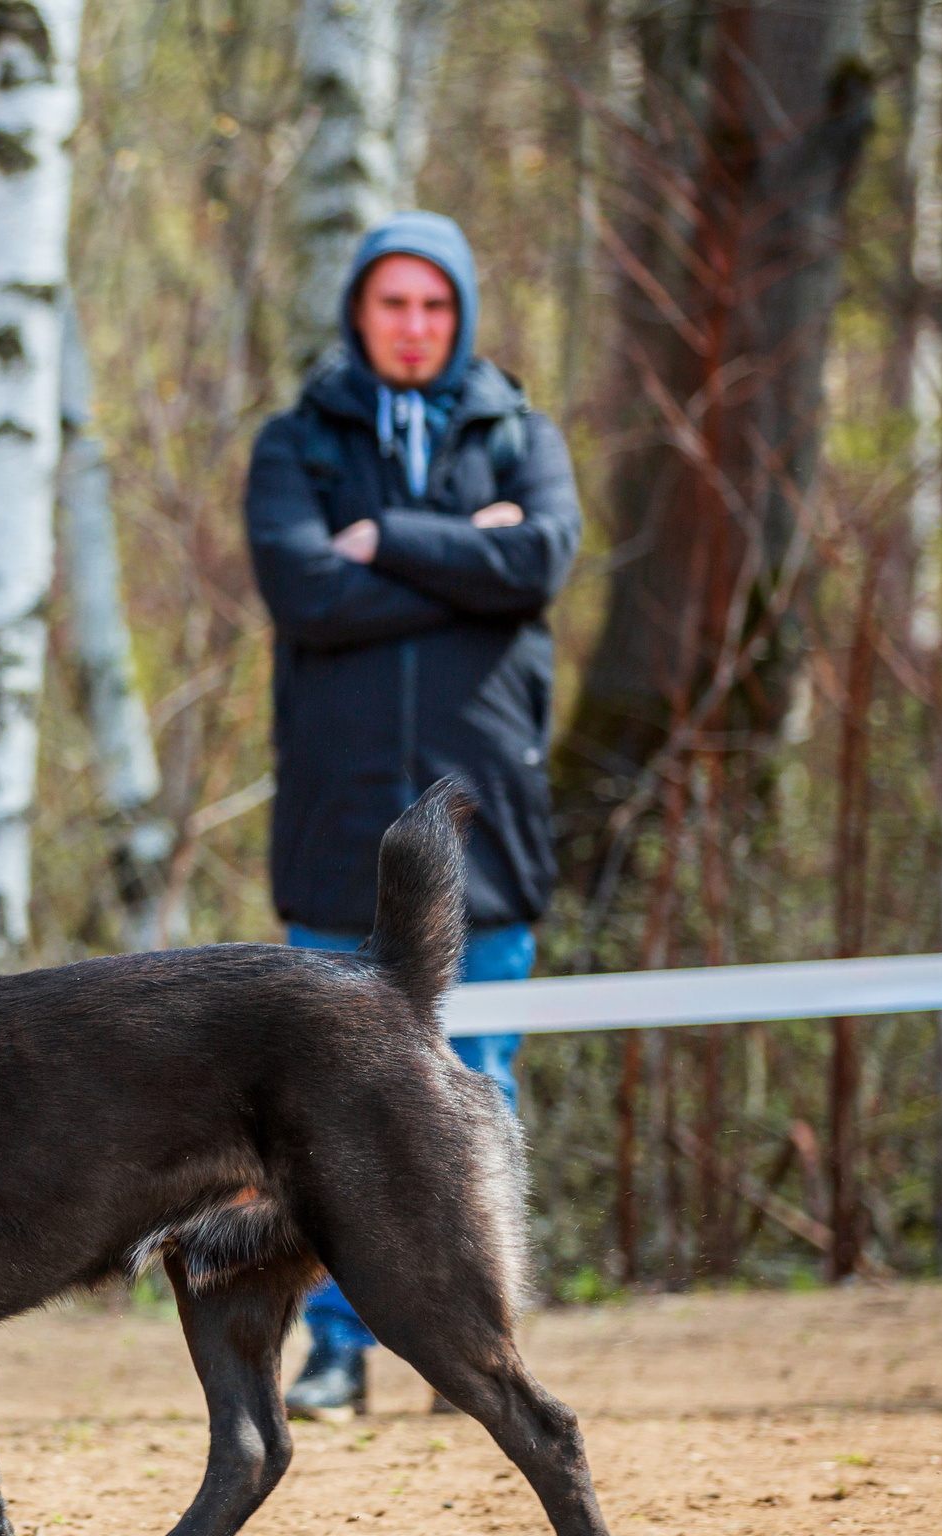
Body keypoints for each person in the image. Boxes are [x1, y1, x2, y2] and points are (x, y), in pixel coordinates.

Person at [243, 211, 581, 1417]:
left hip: (485, 839)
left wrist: (387, 540)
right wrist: (459, 570)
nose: (413, 326)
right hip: (338, 838)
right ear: (359, 313)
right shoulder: (297, 439)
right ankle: (338, 1349)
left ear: (462, 314)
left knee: (472, 1083)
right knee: (328, 1112)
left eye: (434, 306)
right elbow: (304, 590)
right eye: (392, 303)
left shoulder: (518, 432)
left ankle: (476, 1347)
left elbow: (539, 562)